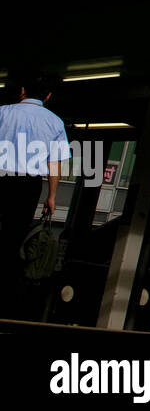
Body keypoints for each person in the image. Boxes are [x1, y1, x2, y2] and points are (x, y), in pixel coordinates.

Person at [0, 76, 70, 316]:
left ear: (22, 90)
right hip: (27, 186)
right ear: (48, 96)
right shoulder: (55, 122)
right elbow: (54, 163)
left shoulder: (3, 112)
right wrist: (51, 196)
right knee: (12, 239)